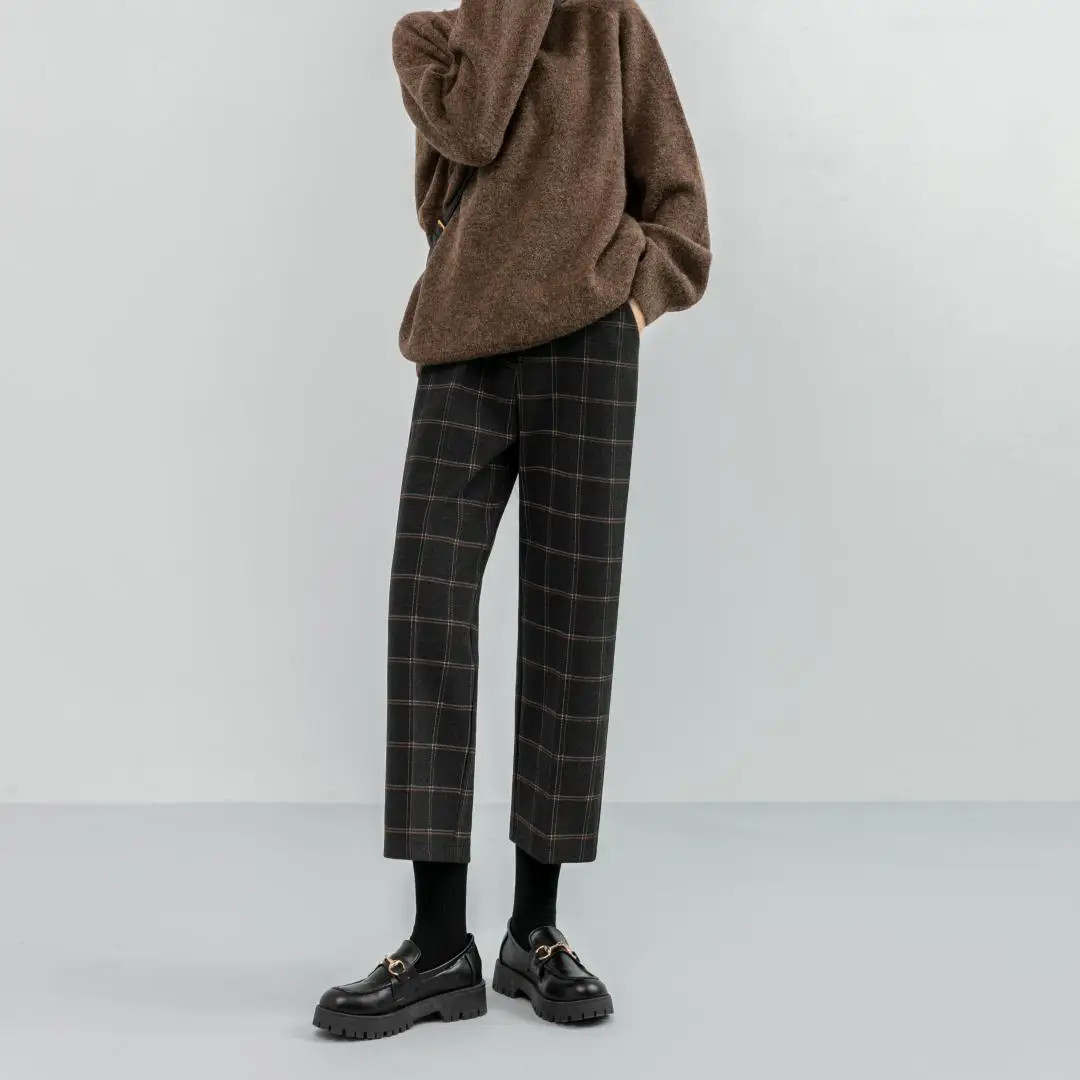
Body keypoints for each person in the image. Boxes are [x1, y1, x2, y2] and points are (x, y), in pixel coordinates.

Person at [313, 0, 710, 1039]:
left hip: (589, 342)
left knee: (571, 622)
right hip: (461, 346)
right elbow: (477, 126)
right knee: (427, 608)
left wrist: (630, 298)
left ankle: (536, 932)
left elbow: (680, 206)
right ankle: (438, 944)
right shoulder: (429, 40)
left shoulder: (610, 23)